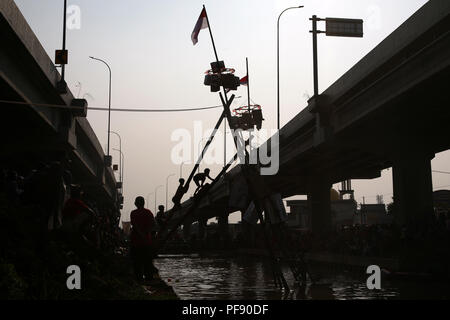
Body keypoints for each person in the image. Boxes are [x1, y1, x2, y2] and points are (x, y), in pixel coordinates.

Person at [130, 196, 158, 283]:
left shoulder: (133, 213)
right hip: (146, 242)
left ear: (136, 203)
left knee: (137, 262)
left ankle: (139, 279)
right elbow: (154, 224)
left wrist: (140, 234)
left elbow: (134, 225)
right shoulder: (148, 212)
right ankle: (148, 278)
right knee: (147, 262)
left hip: (136, 242)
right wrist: (147, 233)